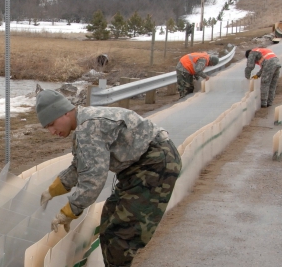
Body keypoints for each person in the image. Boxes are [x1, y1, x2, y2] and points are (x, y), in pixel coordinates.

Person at [35, 89, 182, 267]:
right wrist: (53, 190)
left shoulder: (88, 129)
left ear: (65, 112)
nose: (52, 131)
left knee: (121, 234)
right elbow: (80, 164)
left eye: (52, 124)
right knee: (109, 219)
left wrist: (68, 212)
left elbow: (93, 181)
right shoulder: (84, 123)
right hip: (139, 167)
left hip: (154, 165)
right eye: (47, 128)